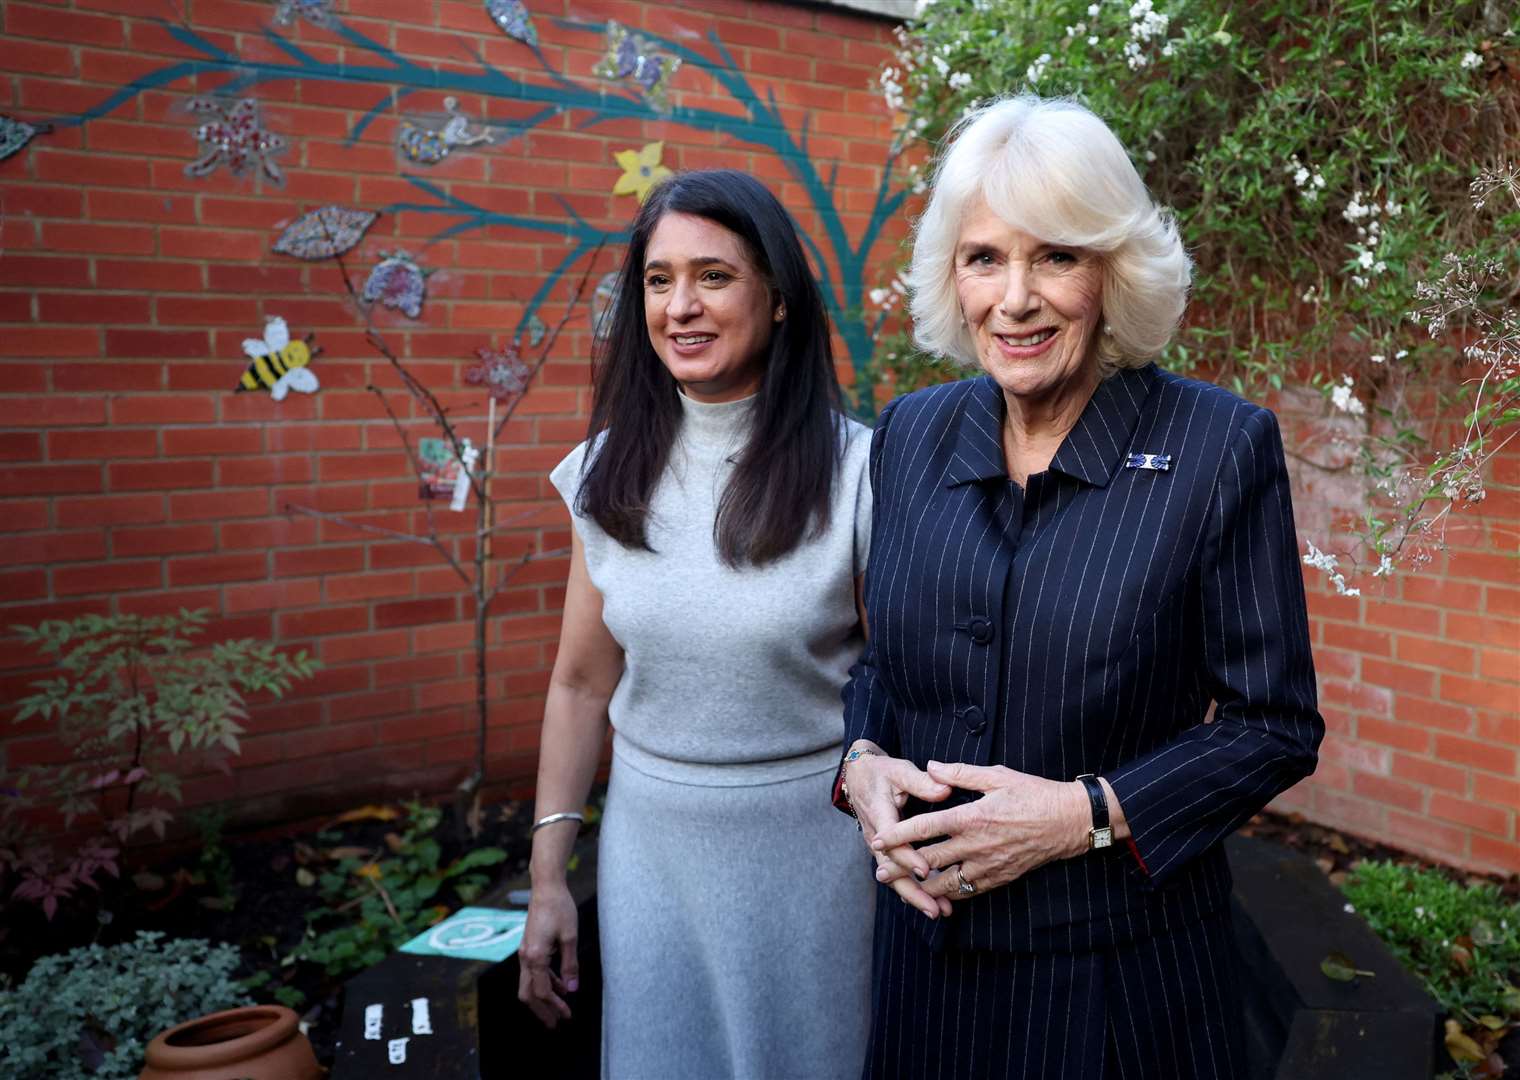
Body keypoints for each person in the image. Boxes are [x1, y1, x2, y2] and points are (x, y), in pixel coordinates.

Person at [835, 94, 1324, 1079]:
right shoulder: (911, 435)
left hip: (1114, 988)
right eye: (983, 258)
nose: (1013, 298)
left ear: (1111, 270)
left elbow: (1273, 723)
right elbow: (885, 661)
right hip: (926, 975)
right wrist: (857, 765)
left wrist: (1085, 813)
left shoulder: (1216, 446)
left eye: (1054, 256)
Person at [519, 169, 876, 1079]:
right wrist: (550, 877)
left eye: (714, 276)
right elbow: (579, 682)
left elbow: (902, 690)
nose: (681, 306)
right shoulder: (605, 475)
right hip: (650, 856)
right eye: (659, 279)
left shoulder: (862, 476)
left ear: (779, 297)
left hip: (815, 858)